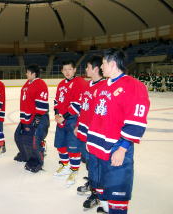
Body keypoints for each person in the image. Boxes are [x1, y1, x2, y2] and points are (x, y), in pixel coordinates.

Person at [86, 48, 150, 213]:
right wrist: (90, 140)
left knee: (116, 190)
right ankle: (106, 208)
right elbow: (97, 116)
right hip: (97, 147)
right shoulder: (102, 87)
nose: (101, 67)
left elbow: (136, 121)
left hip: (115, 148)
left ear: (113, 64)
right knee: (100, 184)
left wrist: (122, 148)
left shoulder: (133, 86)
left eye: (103, 63)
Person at [74, 56, 106, 210]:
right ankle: (92, 183)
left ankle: (97, 193)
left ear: (95, 68)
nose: (85, 70)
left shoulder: (104, 87)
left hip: (94, 134)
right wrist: (78, 125)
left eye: (87, 67)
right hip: (83, 130)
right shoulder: (87, 85)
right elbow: (83, 107)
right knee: (87, 161)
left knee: (95, 164)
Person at [53, 60, 87, 186]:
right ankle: (65, 166)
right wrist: (57, 114)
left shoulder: (80, 82)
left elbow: (77, 104)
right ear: (61, 71)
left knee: (73, 147)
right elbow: (56, 101)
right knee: (60, 144)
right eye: (65, 70)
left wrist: (64, 117)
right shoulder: (61, 84)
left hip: (72, 120)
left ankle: (74, 170)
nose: (67, 72)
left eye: (69, 69)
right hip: (61, 119)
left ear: (74, 70)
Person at [14, 64, 50, 173]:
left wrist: (37, 119)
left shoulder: (40, 83)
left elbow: (42, 104)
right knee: (18, 136)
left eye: (28, 72)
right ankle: (25, 155)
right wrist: (24, 119)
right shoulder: (28, 83)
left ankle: (38, 160)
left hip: (38, 117)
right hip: (26, 118)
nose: (26, 74)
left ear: (34, 74)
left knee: (34, 140)